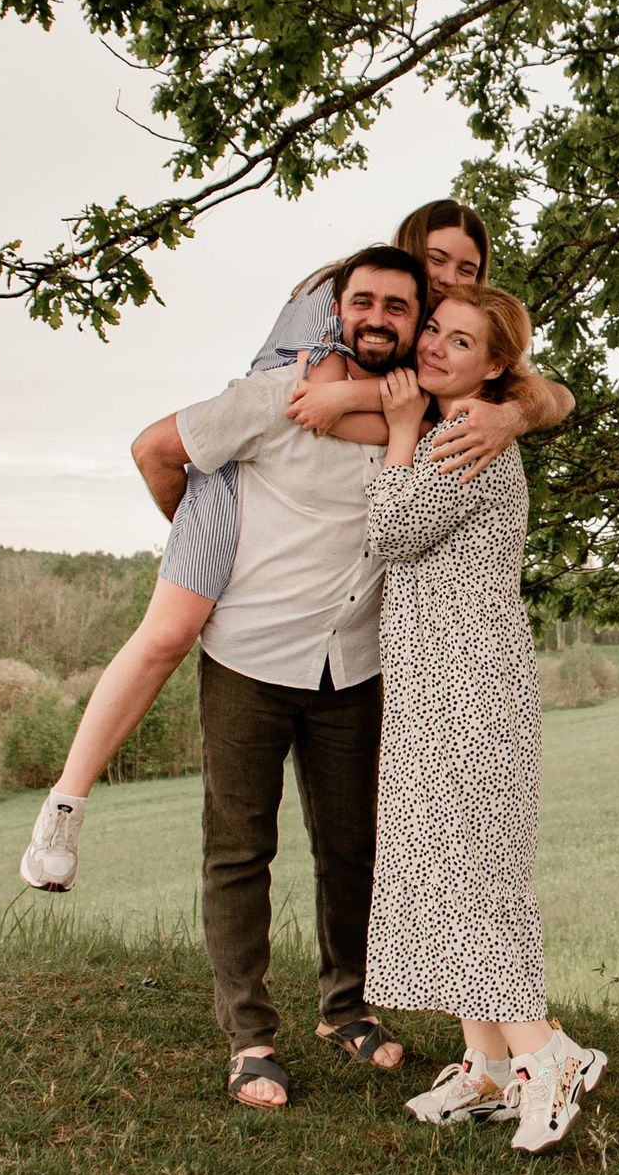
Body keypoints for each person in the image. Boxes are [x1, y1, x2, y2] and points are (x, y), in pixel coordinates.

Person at [18, 201, 570, 905]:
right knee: (169, 633)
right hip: (238, 463)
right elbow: (310, 402)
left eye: (467, 267)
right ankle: (66, 805)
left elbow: (546, 391)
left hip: (319, 498)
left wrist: (511, 409)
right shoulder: (339, 295)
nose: (449, 275)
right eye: (437, 260)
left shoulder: (441, 336)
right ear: (406, 251)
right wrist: (397, 408)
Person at [56, 244, 426, 1109]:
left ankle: (346, 1008)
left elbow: (524, 391)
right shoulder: (268, 400)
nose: (379, 317)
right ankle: (250, 1037)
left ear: (416, 320)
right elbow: (155, 448)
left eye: (397, 307)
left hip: (354, 663)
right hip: (248, 660)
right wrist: (197, 532)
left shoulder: (428, 408)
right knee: (238, 851)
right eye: (363, 301)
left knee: (351, 850)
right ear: (338, 309)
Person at [364, 284, 607, 1153]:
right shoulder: (455, 426)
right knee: (443, 861)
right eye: (433, 328)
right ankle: (487, 1065)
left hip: (468, 688)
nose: (432, 345)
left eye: (457, 340)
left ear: (494, 365)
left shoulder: (465, 435)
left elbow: (389, 529)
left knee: (472, 874)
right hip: (439, 683)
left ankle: (547, 1053)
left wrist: (395, 435)